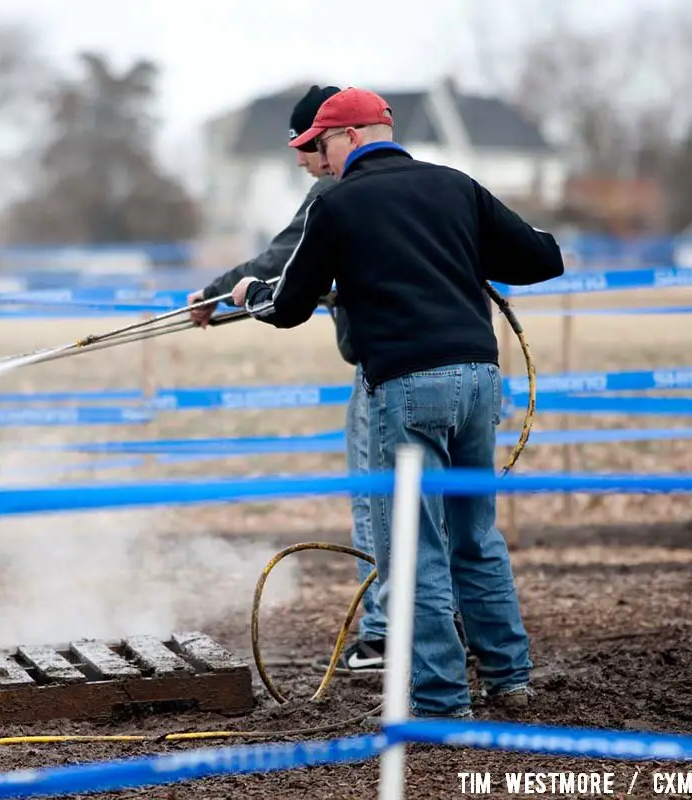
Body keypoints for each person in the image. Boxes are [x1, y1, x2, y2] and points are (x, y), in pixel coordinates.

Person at [230, 87, 565, 718]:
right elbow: (543, 257)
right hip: (480, 381)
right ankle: (508, 679)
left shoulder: (337, 206)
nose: (318, 160)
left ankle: (439, 699)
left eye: (321, 144)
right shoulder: (456, 186)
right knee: (475, 535)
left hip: (407, 387)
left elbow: (289, 305)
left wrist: (249, 292)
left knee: (413, 547)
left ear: (354, 135)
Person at [186, 84, 390, 675]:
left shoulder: (336, 190)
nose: (300, 159)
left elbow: (282, 265)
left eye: (307, 144)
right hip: (463, 368)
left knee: (376, 506)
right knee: (441, 509)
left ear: (334, 139)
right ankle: (447, 627)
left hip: (385, 373)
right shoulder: (421, 183)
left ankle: (382, 633)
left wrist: (216, 295)